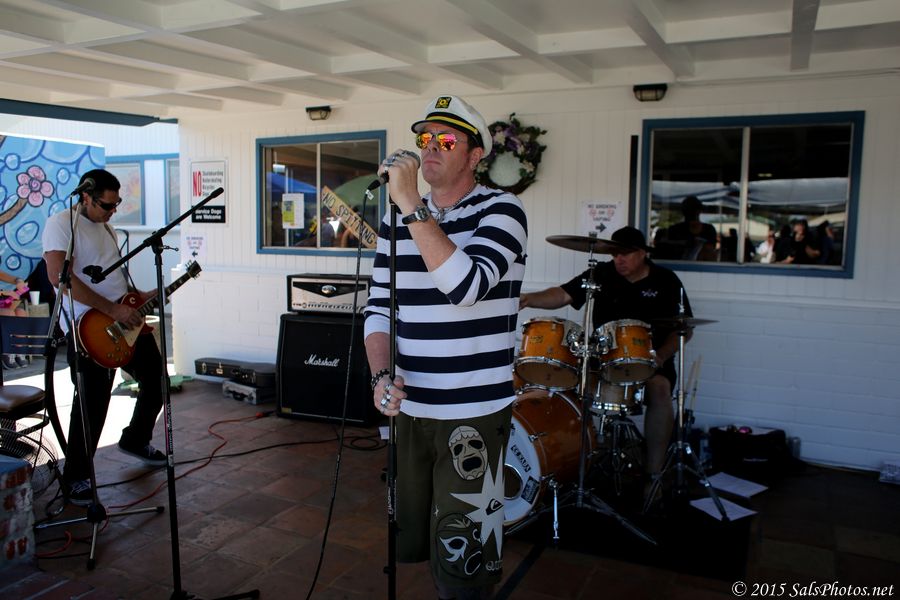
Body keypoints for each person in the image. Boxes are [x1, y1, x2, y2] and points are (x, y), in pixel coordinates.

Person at [363, 95, 527, 600]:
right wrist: (380, 375)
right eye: (425, 138)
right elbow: (378, 308)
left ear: (475, 156)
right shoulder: (397, 219)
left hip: (472, 411)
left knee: (464, 556)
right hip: (411, 409)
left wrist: (412, 205)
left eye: (447, 140)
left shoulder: (503, 209)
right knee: (411, 536)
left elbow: (466, 287)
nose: (431, 147)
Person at [519, 226, 693, 504]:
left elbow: (683, 329)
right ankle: (569, 466)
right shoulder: (601, 274)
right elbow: (562, 295)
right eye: (614, 254)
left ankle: (653, 476)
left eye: (625, 254)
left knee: (660, 391)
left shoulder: (666, 280)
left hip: (650, 361)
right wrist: (529, 299)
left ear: (642, 253)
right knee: (565, 387)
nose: (618, 260)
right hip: (600, 360)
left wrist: (661, 355)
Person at [42, 169, 166, 506]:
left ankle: (135, 439)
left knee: (156, 379)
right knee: (92, 403)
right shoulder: (61, 224)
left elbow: (113, 278)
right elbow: (60, 277)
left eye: (117, 204)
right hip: (89, 327)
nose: (113, 211)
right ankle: (76, 476)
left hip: (123, 319)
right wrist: (113, 310)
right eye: (107, 205)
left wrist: (138, 298)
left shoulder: (106, 227)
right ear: (85, 196)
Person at [653, 195, 718, 261]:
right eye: (689, 209)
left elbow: (710, 251)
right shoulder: (674, 230)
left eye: (694, 209)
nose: (692, 212)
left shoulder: (709, 229)